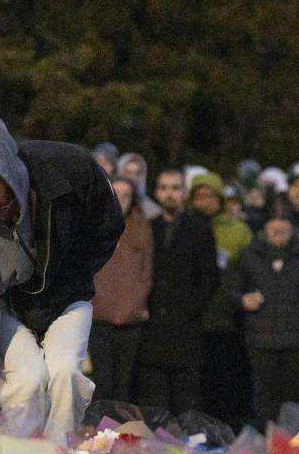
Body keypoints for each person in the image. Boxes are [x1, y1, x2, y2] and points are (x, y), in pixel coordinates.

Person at [0, 97, 123, 440]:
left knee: (64, 373)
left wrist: (73, 276)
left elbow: (105, 224)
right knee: (27, 380)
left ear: (0, 156)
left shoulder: (66, 169)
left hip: (65, 292)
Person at [135, 168, 216, 414]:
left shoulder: (199, 229)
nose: (169, 194)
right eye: (163, 188)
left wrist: (190, 308)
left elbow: (209, 277)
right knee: (153, 397)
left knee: (187, 397)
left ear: (184, 192)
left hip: (186, 328)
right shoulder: (149, 228)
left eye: (175, 188)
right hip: (153, 327)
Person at [230, 212, 299, 429]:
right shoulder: (249, 255)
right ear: (264, 227)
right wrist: (243, 299)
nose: (278, 228)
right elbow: (231, 288)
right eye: (273, 222)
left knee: (297, 399)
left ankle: (296, 450)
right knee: (265, 400)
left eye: (283, 221)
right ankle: (267, 449)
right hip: (261, 339)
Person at [190, 171, 253, 424]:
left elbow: (248, 270)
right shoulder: (187, 227)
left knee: (226, 382)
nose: (205, 201)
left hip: (228, 319)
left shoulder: (238, 231)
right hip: (195, 318)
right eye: (200, 196)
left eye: (210, 196)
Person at [87, 176, 151, 405]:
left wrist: (138, 304)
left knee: (124, 382)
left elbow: (147, 271)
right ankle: (100, 429)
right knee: (102, 380)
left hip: (131, 319)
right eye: (116, 194)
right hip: (99, 316)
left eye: (126, 196)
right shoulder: (94, 226)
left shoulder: (142, 228)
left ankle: (122, 434)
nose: (120, 200)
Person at [118, 152, 162, 220]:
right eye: (128, 172)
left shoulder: (152, 210)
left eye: (137, 173)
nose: (133, 178)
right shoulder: (109, 203)